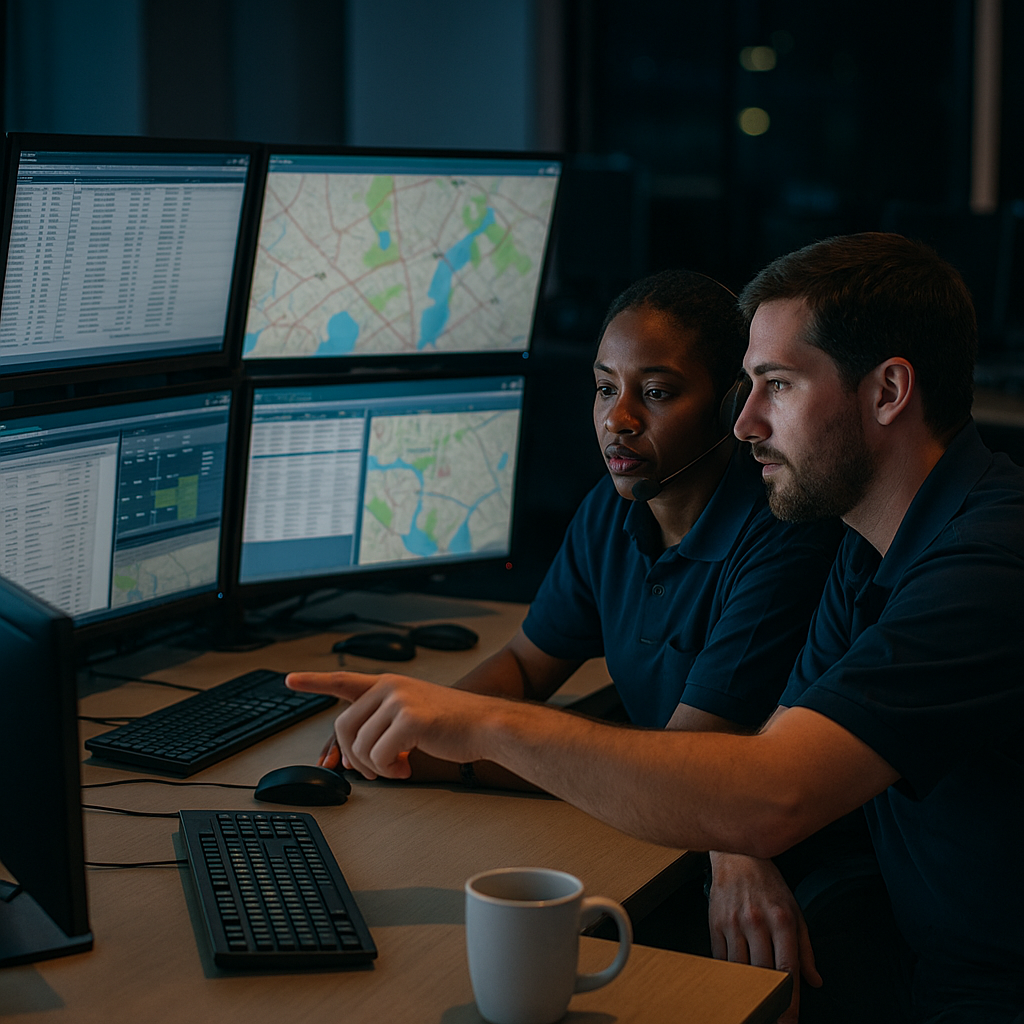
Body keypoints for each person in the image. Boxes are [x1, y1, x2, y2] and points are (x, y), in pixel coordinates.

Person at [290, 234, 1024, 1022]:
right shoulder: (869, 548)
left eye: (775, 385)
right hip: (933, 965)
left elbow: (770, 795)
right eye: (747, 386)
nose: (743, 424)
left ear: (887, 392)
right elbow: (762, 759)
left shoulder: (988, 566)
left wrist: (484, 727)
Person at [324, 268, 840, 792]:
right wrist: (419, 725)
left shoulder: (782, 536)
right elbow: (526, 666)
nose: (618, 419)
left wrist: (441, 757)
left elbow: (689, 768)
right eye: (605, 388)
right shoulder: (611, 510)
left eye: (656, 392)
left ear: (732, 405)